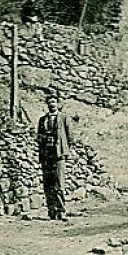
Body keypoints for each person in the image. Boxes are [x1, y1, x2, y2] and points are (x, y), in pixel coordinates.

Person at [36, 90, 74, 220]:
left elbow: (70, 137)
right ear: (46, 104)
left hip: (59, 155)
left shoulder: (64, 118)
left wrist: (65, 150)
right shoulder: (42, 120)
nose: (52, 104)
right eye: (49, 102)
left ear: (58, 103)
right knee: (48, 184)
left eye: (54, 101)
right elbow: (39, 136)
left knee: (59, 184)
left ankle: (61, 211)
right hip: (47, 155)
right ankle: (51, 212)